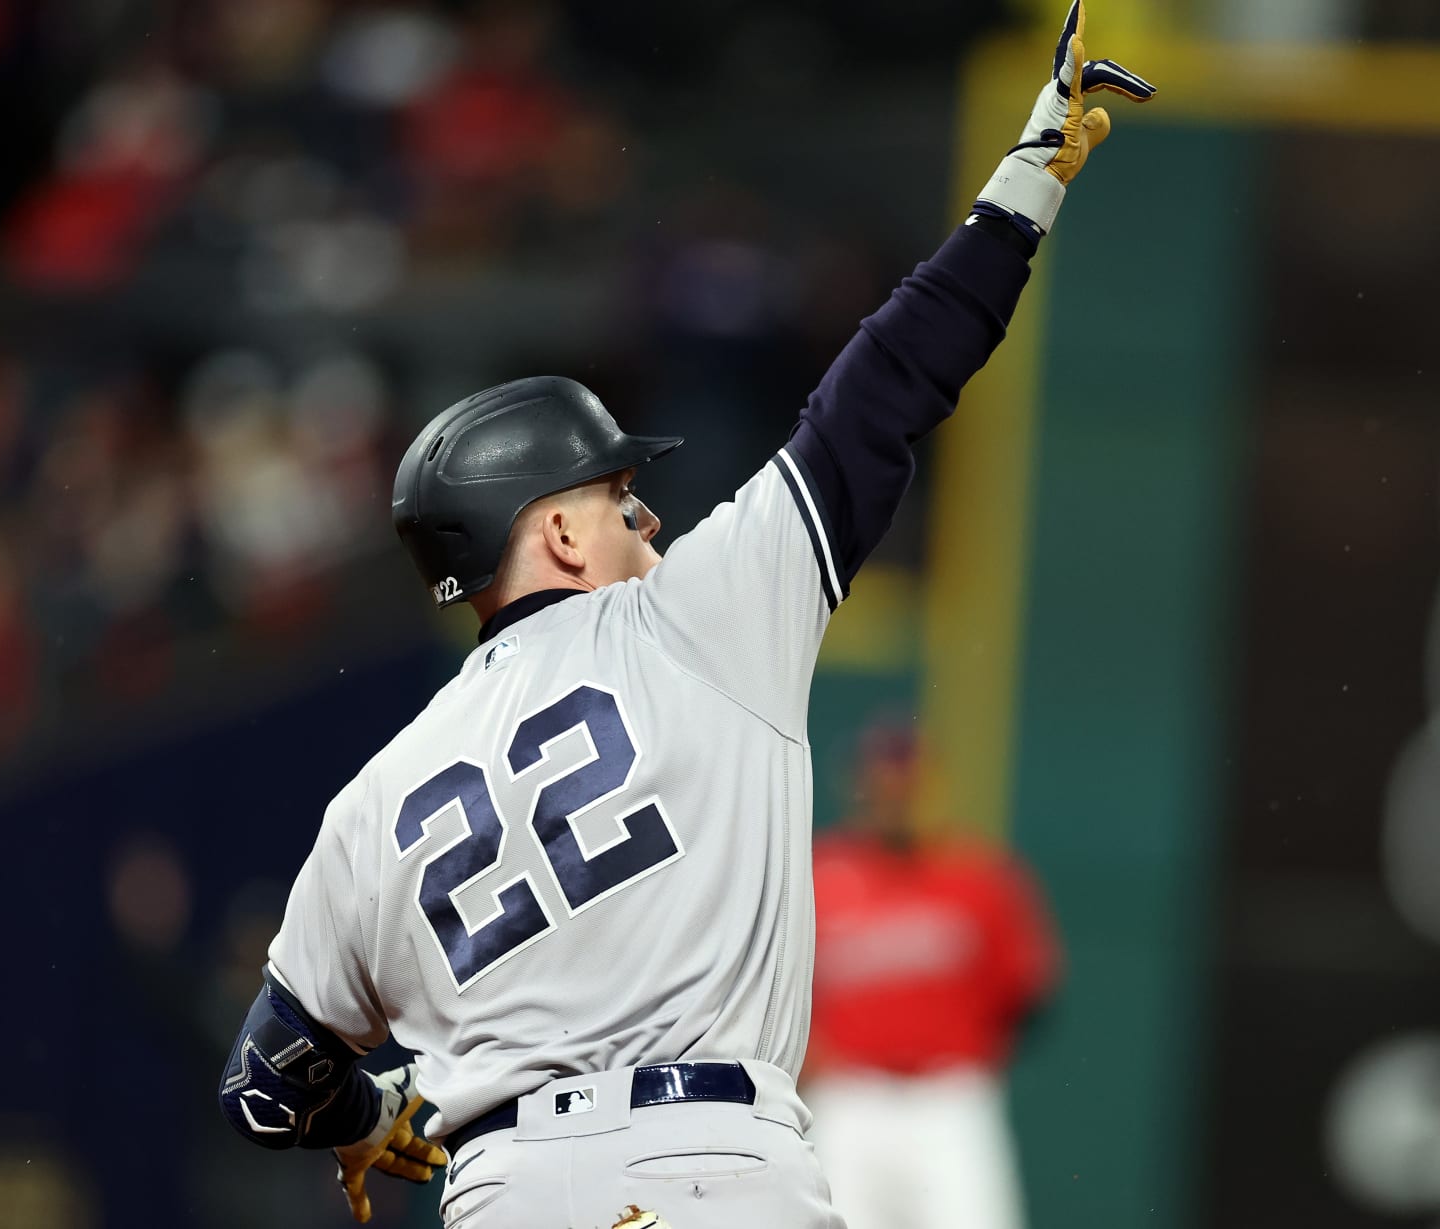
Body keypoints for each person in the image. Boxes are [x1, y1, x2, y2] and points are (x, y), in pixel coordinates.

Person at [215, 6, 1153, 1225]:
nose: (649, 522)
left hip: (499, 1193)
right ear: (554, 534)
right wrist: (1024, 185)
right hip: (707, 1168)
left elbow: (266, 1080)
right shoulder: (694, 622)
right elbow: (880, 395)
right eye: (619, 499)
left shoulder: (371, 807)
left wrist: (367, 1115)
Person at [806, 729, 1059, 1229]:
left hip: (948, 1099)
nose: (899, 796)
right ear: (862, 787)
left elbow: (1026, 992)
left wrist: (967, 1058)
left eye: (911, 783)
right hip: (848, 1099)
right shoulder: (819, 872)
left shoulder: (980, 876)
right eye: (887, 783)